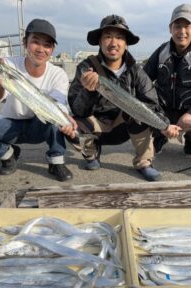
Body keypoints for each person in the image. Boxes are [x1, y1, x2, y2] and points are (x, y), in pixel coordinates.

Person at [68, 15, 180, 181]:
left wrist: (164, 125)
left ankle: (144, 162)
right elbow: (77, 109)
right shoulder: (86, 68)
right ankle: (91, 153)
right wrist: (88, 91)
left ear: (126, 43)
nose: (114, 43)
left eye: (120, 37)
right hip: (98, 126)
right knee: (68, 123)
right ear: (99, 41)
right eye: (108, 37)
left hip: (124, 126)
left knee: (137, 110)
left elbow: (152, 103)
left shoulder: (136, 71)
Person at [0, 19, 77, 181]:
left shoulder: (58, 74)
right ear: (25, 42)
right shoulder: (8, 64)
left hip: (40, 125)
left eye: (47, 45)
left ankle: (56, 162)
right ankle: (8, 156)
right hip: (11, 124)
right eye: (35, 42)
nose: (41, 49)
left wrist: (67, 122)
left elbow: (58, 103)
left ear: (52, 49)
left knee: (56, 120)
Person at [144, 4, 191, 155]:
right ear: (170, 28)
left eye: (187, 26)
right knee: (143, 115)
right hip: (163, 108)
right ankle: (159, 137)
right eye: (177, 26)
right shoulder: (161, 51)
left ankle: (190, 140)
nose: (182, 31)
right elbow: (144, 79)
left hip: (189, 109)